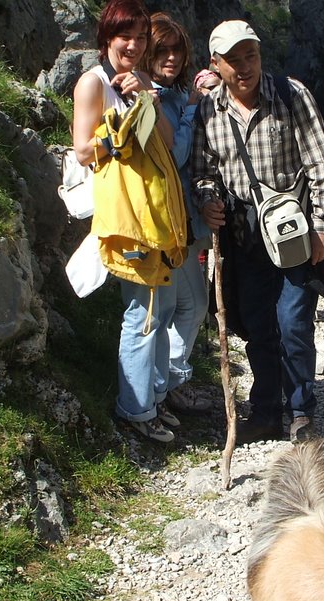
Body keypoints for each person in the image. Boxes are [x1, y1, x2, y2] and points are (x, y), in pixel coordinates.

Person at [191, 20, 324, 444]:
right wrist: (207, 201)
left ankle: (301, 412)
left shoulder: (291, 95)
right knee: (258, 325)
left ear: (260, 55)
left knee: (293, 322)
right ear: (216, 65)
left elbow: (320, 161)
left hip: (293, 230)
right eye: (233, 60)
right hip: (244, 236)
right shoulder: (209, 111)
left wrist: (323, 225)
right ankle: (264, 411)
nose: (244, 68)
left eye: (251, 56)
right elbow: (203, 171)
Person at [72, 0, 183, 443]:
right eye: (126, 37)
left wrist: (143, 97)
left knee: (160, 307)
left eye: (140, 38)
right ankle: (135, 410)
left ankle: (151, 400)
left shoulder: (137, 83)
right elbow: (82, 150)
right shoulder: (93, 83)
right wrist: (116, 132)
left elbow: (169, 142)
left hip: (150, 212)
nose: (134, 46)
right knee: (143, 313)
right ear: (107, 39)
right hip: (125, 214)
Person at [146, 12, 212, 417]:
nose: (171, 57)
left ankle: (168, 385)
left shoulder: (171, 91)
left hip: (185, 218)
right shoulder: (158, 97)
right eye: (162, 50)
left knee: (181, 306)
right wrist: (190, 108)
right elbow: (176, 155)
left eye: (176, 50)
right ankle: (171, 384)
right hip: (174, 221)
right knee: (192, 305)